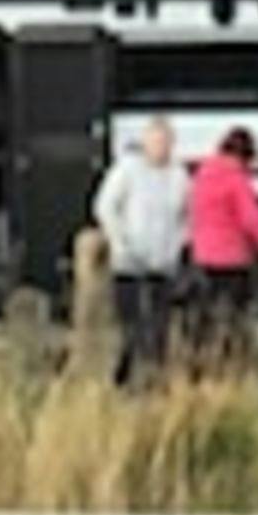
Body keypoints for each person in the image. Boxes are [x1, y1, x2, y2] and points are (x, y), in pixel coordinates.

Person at [186, 126, 258, 369]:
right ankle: (231, 367)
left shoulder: (201, 175)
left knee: (207, 320)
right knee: (236, 320)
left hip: (202, 258)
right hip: (232, 260)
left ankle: (201, 368)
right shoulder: (237, 180)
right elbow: (254, 224)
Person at [89, 117, 188, 381]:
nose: (162, 148)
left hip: (163, 262)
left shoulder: (178, 175)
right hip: (129, 262)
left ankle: (156, 378)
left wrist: (177, 245)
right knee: (131, 326)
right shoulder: (127, 170)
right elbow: (105, 207)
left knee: (160, 325)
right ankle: (124, 378)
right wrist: (120, 241)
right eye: (156, 141)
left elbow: (186, 214)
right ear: (146, 142)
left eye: (166, 142)